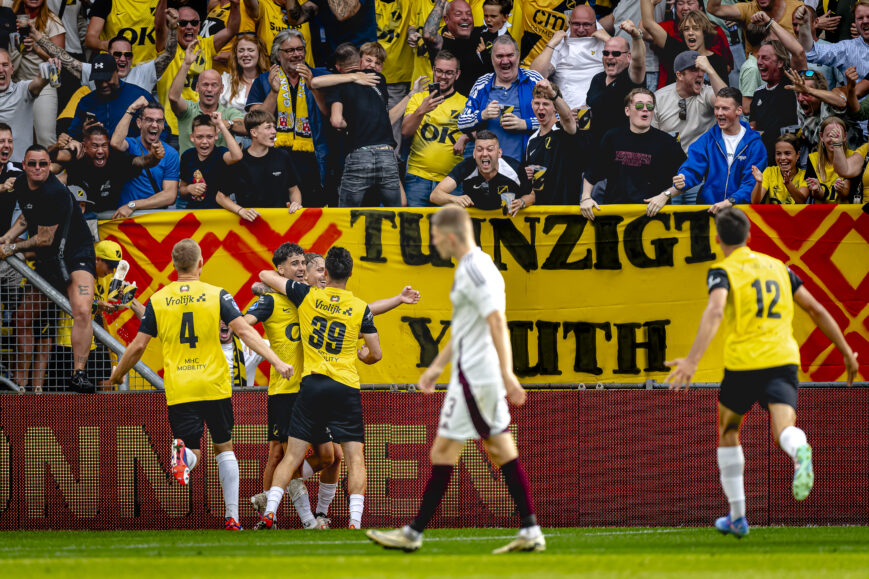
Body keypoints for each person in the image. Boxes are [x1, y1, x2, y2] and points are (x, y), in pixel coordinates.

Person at [664, 207, 859, 538]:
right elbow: (816, 308)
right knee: (784, 428)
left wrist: (692, 361)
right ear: (750, 237)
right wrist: (846, 353)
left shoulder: (722, 270)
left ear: (717, 239)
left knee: (728, 430)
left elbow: (714, 310)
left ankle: (738, 516)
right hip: (782, 360)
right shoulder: (779, 268)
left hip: (744, 364)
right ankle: (800, 452)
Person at [366, 205, 543, 554]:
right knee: (482, 449)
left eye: (435, 237)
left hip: (477, 379)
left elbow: (495, 322)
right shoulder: (474, 267)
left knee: (466, 449)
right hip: (472, 376)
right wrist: (436, 367)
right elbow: (465, 328)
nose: (434, 243)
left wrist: (508, 374)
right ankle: (529, 529)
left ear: (449, 236)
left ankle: (414, 534)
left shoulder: (475, 269)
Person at [110, 238, 294, 531]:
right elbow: (245, 331)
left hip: (180, 387)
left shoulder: (159, 299)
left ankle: (185, 458)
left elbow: (137, 346)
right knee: (224, 448)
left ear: (172, 265)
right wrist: (276, 361)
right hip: (214, 384)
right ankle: (232, 517)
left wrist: (117, 375)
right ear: (200, 263)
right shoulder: (216, 294)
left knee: (192, 449)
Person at [247, 243, 420, 529]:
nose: (304, 270)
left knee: (315, 456)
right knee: (352, 457)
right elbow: (374, 349)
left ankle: (276, 512)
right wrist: (364, 354)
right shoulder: (354, 305)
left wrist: (268, 283)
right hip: (342, 386)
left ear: (325, 272)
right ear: (350, 273)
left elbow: (267, 276)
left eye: (309, 266)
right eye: (299, 265)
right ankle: (351, 521)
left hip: (312, 384)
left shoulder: (309, 297)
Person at [0, 144, 97, 393]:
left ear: (48, 166)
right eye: (32, 164)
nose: (38, 168)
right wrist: (7, 238)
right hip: (50, 260)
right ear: (24, 165)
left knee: (82, 310)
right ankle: (20, 385)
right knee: (23, 318)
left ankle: (79, 373)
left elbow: (44, 238)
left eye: (43, 164)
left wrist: (10, 250)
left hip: (76, 255)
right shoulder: (21, 184)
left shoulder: (53, 190)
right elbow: (26, 218)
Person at [646, 88, 767, 215]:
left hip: (741, 215)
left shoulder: (755, 144)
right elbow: (692, 170)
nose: (719, 113)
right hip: (709, 212)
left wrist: (730, 201)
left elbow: (751, 183)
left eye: (725, 108)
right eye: (716, 108)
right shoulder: (707, 139)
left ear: (739, 110)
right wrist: (681, 179)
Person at [248, 29, 327, 205]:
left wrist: (313, 86)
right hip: (275, 158)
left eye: (300, 49)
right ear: (278, 54)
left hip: (313, 159)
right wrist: (274, 91)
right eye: (290, 50)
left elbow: (330, 117)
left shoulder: (320, 76)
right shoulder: (263, 80)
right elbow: (257, 120)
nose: (297, 54)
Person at [581, 88, 684, 217]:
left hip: (654, 217)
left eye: (650, 105)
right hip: (616, 216)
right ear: (627, 111)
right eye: (639, 105)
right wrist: (585, 198)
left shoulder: (667, 142)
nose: (645, 109)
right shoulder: (612, 137)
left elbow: (688, 176)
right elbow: (592, 172)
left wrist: (665, 195)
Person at [324, 43, 402, 207]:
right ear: (358, 59)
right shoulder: (380, 80)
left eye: (377, 63)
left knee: (346, 216)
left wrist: (349, 124)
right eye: (368, 60)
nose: (372, 66)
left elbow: (336, 121)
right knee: (396, 215)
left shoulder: (338, 83)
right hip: (386, 154)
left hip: (361, 154)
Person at [33, 9, 178, 93]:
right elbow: (64, 58)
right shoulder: (97, 71)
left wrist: (172, 29)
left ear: (132, 58)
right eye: (117, 54)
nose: (123, 59)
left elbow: (169, 55)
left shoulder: (143, 73)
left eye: (127, 55)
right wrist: (38, 37)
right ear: (108, 56)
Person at [153, 1, 240, 139]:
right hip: (173, 127)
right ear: (175, 25)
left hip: (203, 127)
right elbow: (158, 28)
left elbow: (231, 30)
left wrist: (235, 5)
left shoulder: (205, 44)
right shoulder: (168, 46)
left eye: (194, 23)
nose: (189, 27)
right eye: (183, 23)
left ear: (199, 25)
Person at [458, 35, 542, 164]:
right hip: (487, 167)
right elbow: (462, 123)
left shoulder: (534, 79)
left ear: (518, 57)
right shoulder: (482, 83)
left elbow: (557, 118)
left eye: (510, 55)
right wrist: (482, 115)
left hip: (525, 167)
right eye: (499, 56)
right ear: (492, 59)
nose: (505, 61)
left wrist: (525, 124)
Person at [402, 50, 469, 207]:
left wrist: (465, 137)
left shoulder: (466, 103)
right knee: (417, 229)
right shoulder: (419, 98)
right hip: (417, 177)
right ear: (433, 70)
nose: (443, 76)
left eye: (449, 72)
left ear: (457, 74)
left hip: (451, 181)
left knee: (448, 231)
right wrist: (421, 110)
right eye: (439, 71)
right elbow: (405, 132)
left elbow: (478, 132)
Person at [652, 52, 727, 190]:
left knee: (694, 211)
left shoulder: (707, 93)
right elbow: (651, 139)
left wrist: (710, 70)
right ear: (679, 75)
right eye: (693, 70)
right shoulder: (659, 98)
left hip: (700, 170)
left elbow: (727, 102)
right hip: (668, 170)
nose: (700, 74)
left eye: (702, 69)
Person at [51, 126, 158, 214]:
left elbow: (142, 161)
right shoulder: (78, 154)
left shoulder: (116, 160)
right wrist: (57, 145)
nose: (100, 151)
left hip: (109, 219)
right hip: (79, 218)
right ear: (84, 147)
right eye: (95, 146)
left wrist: (155, 156)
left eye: (104, 146)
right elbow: (50, 157)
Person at [169, 43, 245, 154]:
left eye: (214, 85)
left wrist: (226, 124)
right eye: (205, 84)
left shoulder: (229, 113)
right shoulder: (188, 110)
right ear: (197, 88)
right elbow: (173, 97)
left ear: (221, 89)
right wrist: (186, 64)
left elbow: (244, 128)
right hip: (190, 169)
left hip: (220, 169)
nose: (209, 89)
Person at [430, 130, 532, 213]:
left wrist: (521, 202)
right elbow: (435, 195)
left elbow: (532, 195)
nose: (484, 154)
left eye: (490, 149)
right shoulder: (467, 166)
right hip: (476, 221)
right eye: (479, 149)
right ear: (474, 153)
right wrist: (455, 199)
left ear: (499, 153)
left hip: (508, 219)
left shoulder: (514, 168)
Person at [110, 98, 180, 219]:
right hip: (125, 218)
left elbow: (170, 195)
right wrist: (131, 108)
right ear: (139, 123)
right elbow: (115, 143)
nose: (154, 125)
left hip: (154, 220)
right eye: (149, 120)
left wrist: (133, 206)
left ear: (163, 125)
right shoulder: (131, 144)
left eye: (159, 121)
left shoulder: (170, 153)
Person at [528, 5, 607, 110]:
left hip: (599, 110)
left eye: (586, 25)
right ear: (569, 23)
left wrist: (609, 39)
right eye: (576, 24)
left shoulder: (605, 42)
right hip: (566, 112)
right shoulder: (561, 43)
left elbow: (627, 68)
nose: (581, 29)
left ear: (595, 24)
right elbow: (535, 75)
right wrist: (551, 44)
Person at [10, 0, 64, 148]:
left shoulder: (52, 21)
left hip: (44, 85)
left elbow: (61, 61)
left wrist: (36, 48)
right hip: (15, 85)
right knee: (13, 136)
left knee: (46, 137)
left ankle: (51, 170)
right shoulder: (9, 18)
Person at [643, 0, 734, 88]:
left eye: (695, 28)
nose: (690, 32)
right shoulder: (677, 50)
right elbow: (648, 24)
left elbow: (724, 94)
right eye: (686, 29)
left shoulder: (718, 61)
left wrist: (709, 70)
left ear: (704, 32)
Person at [585, 22, 646, 151]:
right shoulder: (597, 79)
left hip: (622, 149)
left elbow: (639, 62)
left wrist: (636, 36)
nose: (609, 57)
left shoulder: (630, 77)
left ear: (628, 57)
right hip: (595, 148)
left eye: (616, 54)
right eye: (606, 53)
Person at [67, 54, 157, 140]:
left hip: (132, 153)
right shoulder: (86, 101)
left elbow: (162, 128)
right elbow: (73, 134)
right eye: (98, 80)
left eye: (107, 79)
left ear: (117, 72)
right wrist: (84, 132)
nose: (103, 84)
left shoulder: (139, 95)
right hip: (97, 153)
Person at [231, 110, 303, 215]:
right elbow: (221, 196)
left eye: (274, 127)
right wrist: (240, 211)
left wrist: (296, 204)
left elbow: (293, 189)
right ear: (254, 132)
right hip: (248, 226)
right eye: (268, 127)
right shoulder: (240, 160)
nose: (274, 131)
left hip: (279, 223)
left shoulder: (283, 156)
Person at [524, 80, 581, 206]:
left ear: (555, 107)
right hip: (542, 211)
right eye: (537, 103)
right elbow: (531, 183)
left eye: (546, 104)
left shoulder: (564, 129)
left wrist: (552, 94)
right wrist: (527, 173)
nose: (540, 108)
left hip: (566, 207)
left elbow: (567, 117)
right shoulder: (532, 140)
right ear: (532, 104)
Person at [180, 112, 243, 213]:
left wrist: (221, 126)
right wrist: (189, 189)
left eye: (209, 137)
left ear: (216, 136)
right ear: (192, 137)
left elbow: (237, 156)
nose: (204, 141)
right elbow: (182, 190)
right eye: (200, 137)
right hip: (194, 213)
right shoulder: (187, 156)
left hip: (217, 213)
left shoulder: (220, 153)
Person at [749, 40, 799, 164]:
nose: (759, 62)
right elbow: (753, 127)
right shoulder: (758, 93)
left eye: (765, 58)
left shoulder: (794, 89)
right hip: (764, 162)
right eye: (758, 58)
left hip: (790, 162)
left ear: (780, 62)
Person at [421, 0, 481, 97]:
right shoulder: (443, 41)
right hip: (447, 106)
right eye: (458, 14)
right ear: (446, 20)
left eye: (469, 14)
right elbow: (428, 34)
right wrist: (441, 1)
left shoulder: (481, 35)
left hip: (476, 105)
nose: (465, 17)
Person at [0, 48, 50, 162]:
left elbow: (39, 82)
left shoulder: (22, 90)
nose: (0, 69)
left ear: (12, 69)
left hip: (20, 169)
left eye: (5, 65)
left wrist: (50, 67)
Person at [797, 1, 869, 78]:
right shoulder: (846, 48)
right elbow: (812, 52)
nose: (865, 21)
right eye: (860, 18)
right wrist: (809, 25)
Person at [707, 0, 804, 56]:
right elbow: (713, 9)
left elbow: (809, 48)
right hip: (758, 76)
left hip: (791, 75)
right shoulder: (748, 9)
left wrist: (770, 23)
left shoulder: (797, 8)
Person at [805, 116, 861, 203]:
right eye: (829, 135)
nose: (834, 140)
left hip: (845, 212)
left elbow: (845, 194)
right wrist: (816, 190)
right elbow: (818, 195)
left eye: (837, 135)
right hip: (821, 212)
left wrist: (841, 190)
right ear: (821, 136)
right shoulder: (813, 158)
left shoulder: (853, 157)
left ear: (845, 136)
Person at [86, 0, 160, 65]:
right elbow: (90, 39)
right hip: (116, 69)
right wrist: (105, 45)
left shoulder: (162, 2)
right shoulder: (107, 1)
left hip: (150, 69)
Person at [750, 133, 808, 204]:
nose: (782, 158)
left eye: (787, 153)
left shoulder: (805, 175)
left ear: (798, 155)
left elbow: (801, 201)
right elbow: (755, 202)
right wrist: (759, 183)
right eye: (778, 153)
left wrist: (788, 184)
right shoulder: (770, 172)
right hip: (772, 215)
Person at [220, 33, 270, 111]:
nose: (245, 54)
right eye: (241, 51)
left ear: (260, 53)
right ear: (236, 55)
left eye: (251, 50)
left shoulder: (270, 80)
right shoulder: (226, 80)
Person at [470, 0, 514, 77]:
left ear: (505, 17)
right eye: (486, 16)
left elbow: (501, 71)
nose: (488, 20)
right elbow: (461, 31)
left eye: (493, 16)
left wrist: (483, 53)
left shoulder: (507, 42)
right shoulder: (480, 31)